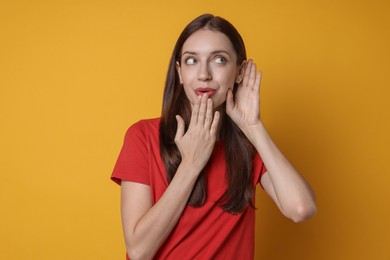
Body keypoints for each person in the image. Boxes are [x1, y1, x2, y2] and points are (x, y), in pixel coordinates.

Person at [111, 13, 317, 259]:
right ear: (179, 72)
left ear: (239, 72)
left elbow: (301, 208)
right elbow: (138, 251)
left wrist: (253, 126)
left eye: (219, 59)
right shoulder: (143, 136)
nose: (204, 74)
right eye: (191, 61)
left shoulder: (248, 145)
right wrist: (191, 164)